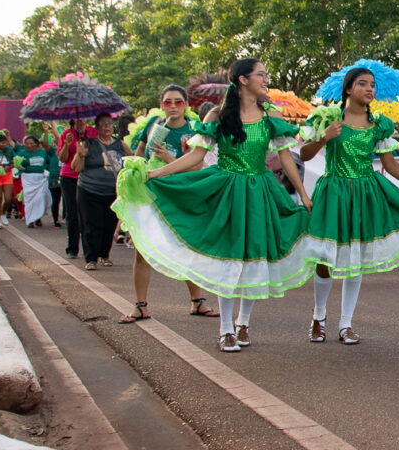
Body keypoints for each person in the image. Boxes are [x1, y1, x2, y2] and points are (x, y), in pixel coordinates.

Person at [113, 58, 314, 352]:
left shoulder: (270, 117)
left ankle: (244, 323)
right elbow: (195, 157)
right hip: (228, 191)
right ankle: (226, 329)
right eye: (261, 74)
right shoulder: (217, 117)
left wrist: (303, 194)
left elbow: (286, 159)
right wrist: (155, 173)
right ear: (243, 80)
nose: (266, 79)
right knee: (230, 260)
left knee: (255, 257)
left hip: (260, 192)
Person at [298, 67, 399, 344]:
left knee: (355, 257)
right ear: (348, 89)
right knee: (325, 258)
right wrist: (324, 137)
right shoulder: (328, 117)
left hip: (364, 193)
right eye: (362, 84)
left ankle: (346, 324)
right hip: (333, 191)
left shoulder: (379, 124)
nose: (369, 89)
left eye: (372, 85)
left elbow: (389, 163)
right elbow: (305, 154)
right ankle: (319, 317)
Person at [118, 85, 218, 323]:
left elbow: (197, 165)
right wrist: (136, 173)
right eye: (167, 102)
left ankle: (197, 302)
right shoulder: (154, 125)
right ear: (161, 104)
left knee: (186, 247)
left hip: (180, 193)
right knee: (142, 251)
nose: (172, 106)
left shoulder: (193, 130)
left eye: (178, 102)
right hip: (151, 192)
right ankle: (140, 306)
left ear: (186, 105)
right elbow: (140, 153)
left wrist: (168, 159)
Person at [73, 114, 127, 269]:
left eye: (109, 123)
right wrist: (80, 155)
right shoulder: (88, 144)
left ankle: (104, 255)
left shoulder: (120, 145)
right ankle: (91, 259)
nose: (107, 127)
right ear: (96, 128)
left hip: (112, 191)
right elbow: (76, 167)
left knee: (108, 225)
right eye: (103, 124)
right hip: (89, 190)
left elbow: (132, 160)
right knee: (91, 224)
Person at [58, 119, 85, 256]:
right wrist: (66, 145)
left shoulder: (92, 132)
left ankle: (91, 251)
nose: (82, 121)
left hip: (88, 177)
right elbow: (62, 158)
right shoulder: (66, 134)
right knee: (72, 213)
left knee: (87, 214)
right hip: (69, 177)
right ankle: (72, 248)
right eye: (78, 119)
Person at [17, 132, 54, 226]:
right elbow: (17, 164)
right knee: (29, 200)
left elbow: (49, 162)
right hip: (28, 178)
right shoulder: (22, 153)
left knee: (41, 198)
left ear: (36, 143)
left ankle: (38, 217)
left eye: (31, 143)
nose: (29, 145)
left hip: (41, 179)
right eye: (27, 144)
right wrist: (20, 167)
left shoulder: (42, 152)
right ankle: (30, 220)